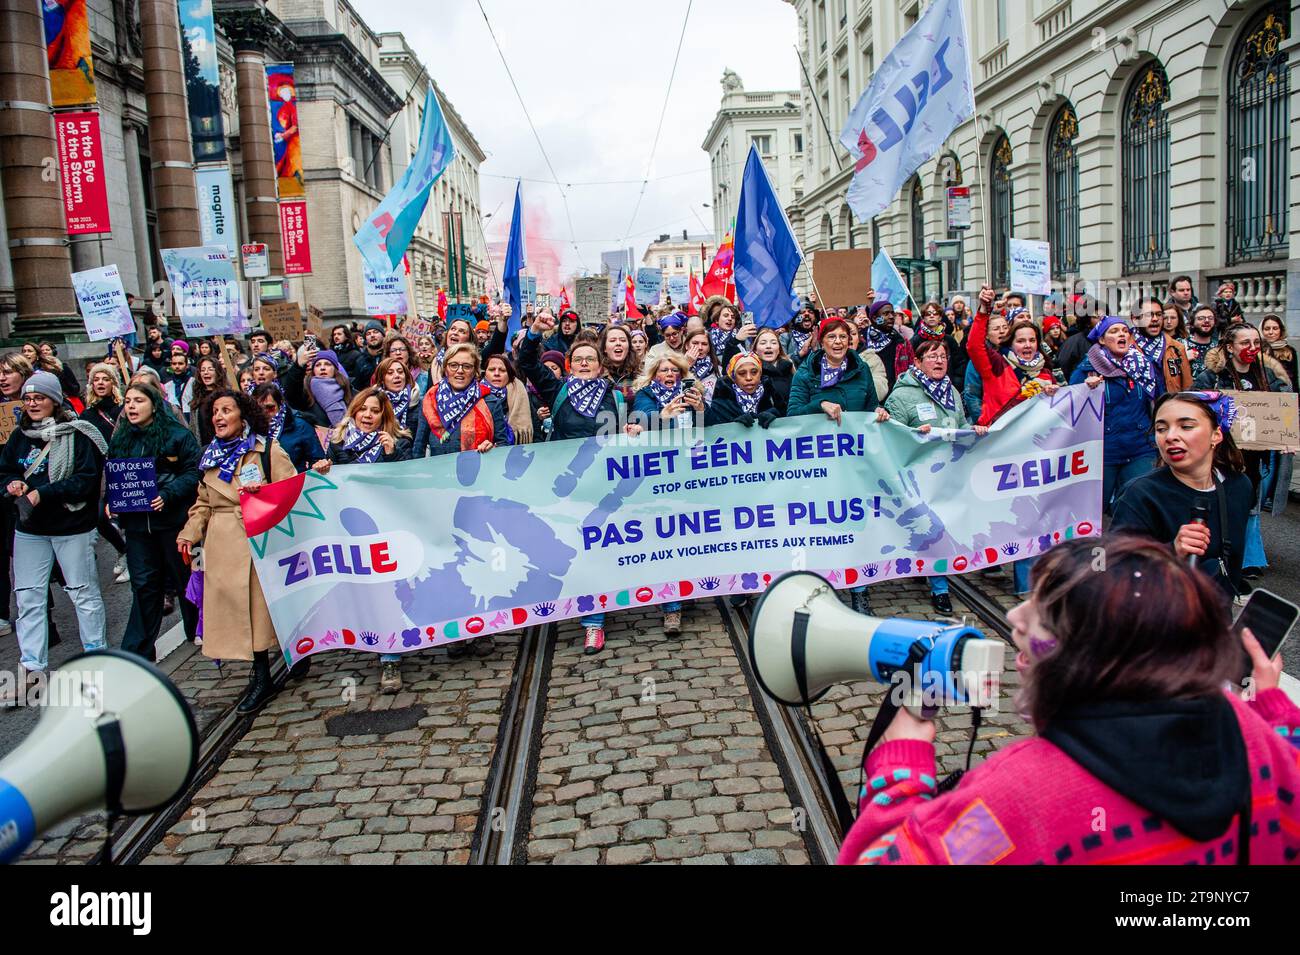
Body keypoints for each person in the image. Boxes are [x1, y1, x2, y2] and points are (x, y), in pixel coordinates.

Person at [837, 533, 1300, 866]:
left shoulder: (1018, 793)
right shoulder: (1251, 735)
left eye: (1041, 612)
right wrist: (1272, 707)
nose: (1014, 615)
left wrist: (903, 755)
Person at [178, 389, 296, 712]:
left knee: (263, 612)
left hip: (259, 541)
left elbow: (291, 491)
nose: (218, 417)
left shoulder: (266, 450)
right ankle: (260, 674)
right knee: (241, 613)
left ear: (242, 416)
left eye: (226, 410)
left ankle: (285, 660)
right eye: (214, 411)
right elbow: (203, 502)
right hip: (222, 544)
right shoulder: (210, 458)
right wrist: (189, 533)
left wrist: (263, 495)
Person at [520, 313, 629, 653]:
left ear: (600, 366)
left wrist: (632, 431)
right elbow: (526, 362)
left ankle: (594, 622)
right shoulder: (558, 390)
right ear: (570, 364)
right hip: (567, 485)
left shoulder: (616, 396)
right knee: (571, 550)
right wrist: (536, 332)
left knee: (596, 550)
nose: (584, 364)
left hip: (602, 485)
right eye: (578, 360)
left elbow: (628, 433)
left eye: (590, 360)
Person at [0, 371, 108, 697]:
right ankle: (33, 667)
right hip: (30, 529)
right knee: (29, 597)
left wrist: (42, 493)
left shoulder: (77, 434)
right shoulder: (20, 436)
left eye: (40, 398)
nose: (33, 403)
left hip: (70, 527)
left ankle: (96, 659)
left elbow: (86, 480)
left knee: (82, 593)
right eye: (28, 398)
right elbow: (5, 469)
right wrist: (11, 484)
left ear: (55, 401)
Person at [787, 317, 889, 615]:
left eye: (843, 336)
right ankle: (823, 591)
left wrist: (880, 412)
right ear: (821, 341)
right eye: (831, 336)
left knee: (856, 527)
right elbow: (791, 414)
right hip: (816, 465)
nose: (838, 342)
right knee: (822, 528)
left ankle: (860, 592)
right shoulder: (806, 374)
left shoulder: (861, 371)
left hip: (852, 463)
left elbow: (870, 407)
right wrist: (819, 407)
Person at [1113, 392, 1252, 601]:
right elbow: (1113, 573)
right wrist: (1171, 552)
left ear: (1216, 434)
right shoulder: (1139, 494)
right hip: (1158, 625)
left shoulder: (1239, 486)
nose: (1170, 436)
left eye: (1186, 426)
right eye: (1161, 429)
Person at [883, 340, 989, 614]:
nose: (939, 361)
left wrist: (972, 430)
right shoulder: (901, 397)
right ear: (917, 363)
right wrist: (914, 436)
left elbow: (961, 423)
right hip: (920, 477)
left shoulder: (951, 391)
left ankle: (929, 569)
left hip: (950, 474)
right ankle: (940, 589)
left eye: (942, 356)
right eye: (932, 357)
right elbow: (893, 438)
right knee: (934, 532)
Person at [107, 382, 201, 659]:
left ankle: (197, 628)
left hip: (172, 523)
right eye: (127, 401)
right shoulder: (121, 438)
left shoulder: (177, 435)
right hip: (137, 526)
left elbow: (194, 471)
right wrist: (111, 500)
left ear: (154, 405)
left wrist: (168, 494)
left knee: (186, 578)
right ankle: (137, 650)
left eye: (138, 400)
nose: (132, 406)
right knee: (144, 584)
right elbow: (114, 475)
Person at [1195, 324, 1292, 578]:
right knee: (1221, 504)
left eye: (1256, 343)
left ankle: (1246, 558)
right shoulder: (1211, 376)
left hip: (1254, 456)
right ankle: (1216, 556)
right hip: (1223, 455)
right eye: (1245, 343)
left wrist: (1287, 431)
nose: (1252, 349)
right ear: (1230, 347)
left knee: (1249, 505)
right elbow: (1197, 409)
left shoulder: (1267, 375)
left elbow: (1284, 411)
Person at [1071, 315, 1162, 510]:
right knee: (1095, 509)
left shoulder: (1144, 366)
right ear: (1102, 340)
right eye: (1114, 331)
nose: (1121, 334)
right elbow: (1070, 410)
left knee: (1139, 506)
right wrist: (1085, 390)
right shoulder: (1086, 371)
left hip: (1140, 448)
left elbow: (1159, 401)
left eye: (1125, 331)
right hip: (1103, 453)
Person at [79, 362, 130, 584]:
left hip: (120, 469)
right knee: (99, 517)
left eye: (105, 379)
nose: (101, 383)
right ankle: (124, 550)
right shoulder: (87, 414)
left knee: (125, 518)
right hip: (99, 473)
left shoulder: (122, 410)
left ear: (113, 383)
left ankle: (132, 559)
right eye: (96, 379)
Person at [412, 344, 509, 459]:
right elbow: (419, 447)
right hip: (439, 472)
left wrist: (492, 448)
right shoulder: (430, 401)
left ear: (475, 371)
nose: (460, 371)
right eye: (453, 365)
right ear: (445, 369)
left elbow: (503, 445)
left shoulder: (490, 402)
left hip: (477, 472)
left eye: (467, 366)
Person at [314, 388, 413, 468]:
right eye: (362, 409)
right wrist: (323, 468)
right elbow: (331, 483)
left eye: (375, 411)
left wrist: (392, 454)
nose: (367, 415)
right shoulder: (338, 441)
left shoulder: (399, 442)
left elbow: (407, 480)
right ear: (354, 413)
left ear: (384, 417)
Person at [253, 382, 323, 474]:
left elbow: (317, 459)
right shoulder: (248, 432)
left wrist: (318, 466)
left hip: (296, 483)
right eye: (258, 409)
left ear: (280, 405)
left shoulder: (299, 426)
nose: (264, 412)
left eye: (270, 408)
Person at [1132, 296, 1193, 394]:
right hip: (1139, 407)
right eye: (1149, 315)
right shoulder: (1125, 347)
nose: (1155, 319)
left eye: (1159, 314)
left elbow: (1187, 388)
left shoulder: (1176, 348)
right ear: (1135, 319)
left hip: (1168, 406)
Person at [483, 353, 534, 445]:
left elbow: (536, 433)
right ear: (485, 374)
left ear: (509, 375)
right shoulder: (476, 396)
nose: (497, 374)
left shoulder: (521, 394)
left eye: (502, 370)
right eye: (491, 370)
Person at [862, 301, 914, 389]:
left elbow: (912, 367)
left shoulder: (902, 342)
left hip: (896, 392)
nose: (891, 317)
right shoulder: (862, 340)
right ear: (874, 318)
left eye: (892, 314)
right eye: (886, 314)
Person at [751, 327, 794, 414]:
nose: (768, 346)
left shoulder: (791, 370)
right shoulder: (750, 374)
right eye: (763, 343)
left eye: (773, 343)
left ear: (779, 349)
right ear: (755, 350)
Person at [374, 355, 421, 436]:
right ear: (382, 380)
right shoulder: (372, 403)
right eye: (390, 373)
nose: (397, 376)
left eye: (400, 372)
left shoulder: (421, 406)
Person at [1181, 303, 1220, 381]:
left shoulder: (1220, 347)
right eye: (1201, 318)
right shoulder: (1181, 345)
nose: (1206, 321)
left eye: (1210, 318)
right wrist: (1183, 359)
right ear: (1192, 323)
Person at [1261, 314, 1297, 387]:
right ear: (1261, 331)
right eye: (1267, 329)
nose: (1271, 332)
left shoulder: (1289, 350)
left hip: (1284, 391)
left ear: (1281, 330)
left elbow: (1294, 378)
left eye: (1275, 328)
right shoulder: (1257, 349)